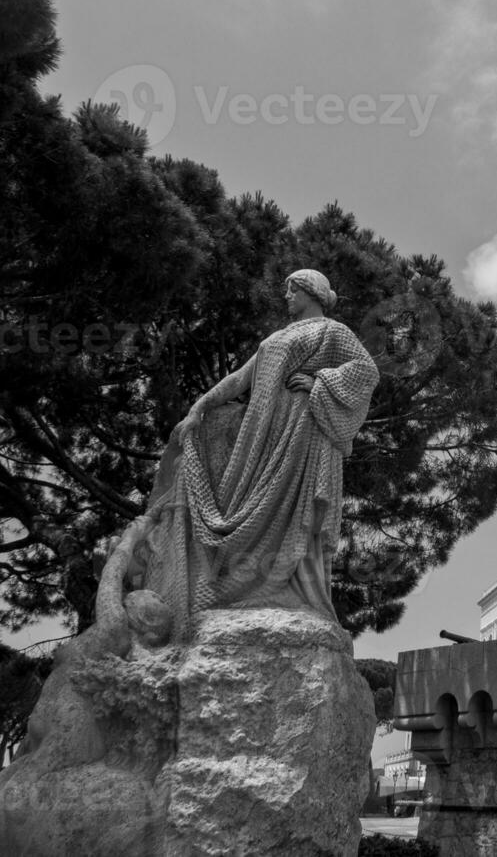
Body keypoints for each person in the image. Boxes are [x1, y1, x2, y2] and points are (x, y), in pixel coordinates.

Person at [141, 269, 379, 637]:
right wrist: (199, 408)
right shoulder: (277, 338)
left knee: (295, 510)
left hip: (303, 428)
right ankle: (245, 585)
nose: (286, 296)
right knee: (245, 493)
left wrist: (320, 382)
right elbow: (240, 379)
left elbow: (366, 371)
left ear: (310, 291)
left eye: (292, 289)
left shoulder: (334, 331)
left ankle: (294, 590)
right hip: (264, 435)